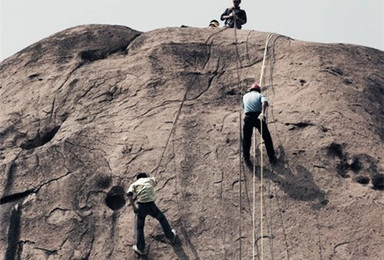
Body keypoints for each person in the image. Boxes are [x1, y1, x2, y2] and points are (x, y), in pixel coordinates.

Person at [127, 172, 176, 256]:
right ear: (145, 177)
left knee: (140, 227)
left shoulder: (134, 184)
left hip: (141, 205)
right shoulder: (149, 179)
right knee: (161, 218)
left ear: (138, 178)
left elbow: (129, 194)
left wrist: (134, 208)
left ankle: (140, 248)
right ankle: (171, 236)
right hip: (151, 204)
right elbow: (155, 181)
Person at [242, 83, 277, 165]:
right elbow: (264, 103)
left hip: (248, 117)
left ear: (251, 89)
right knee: (266, 138)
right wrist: (263, 113)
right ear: (258, 90)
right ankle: (272, 158)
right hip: (258, 117)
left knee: (246, 139)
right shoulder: (261, 95)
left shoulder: (245, 96)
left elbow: (244, 107)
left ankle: (246, 158)